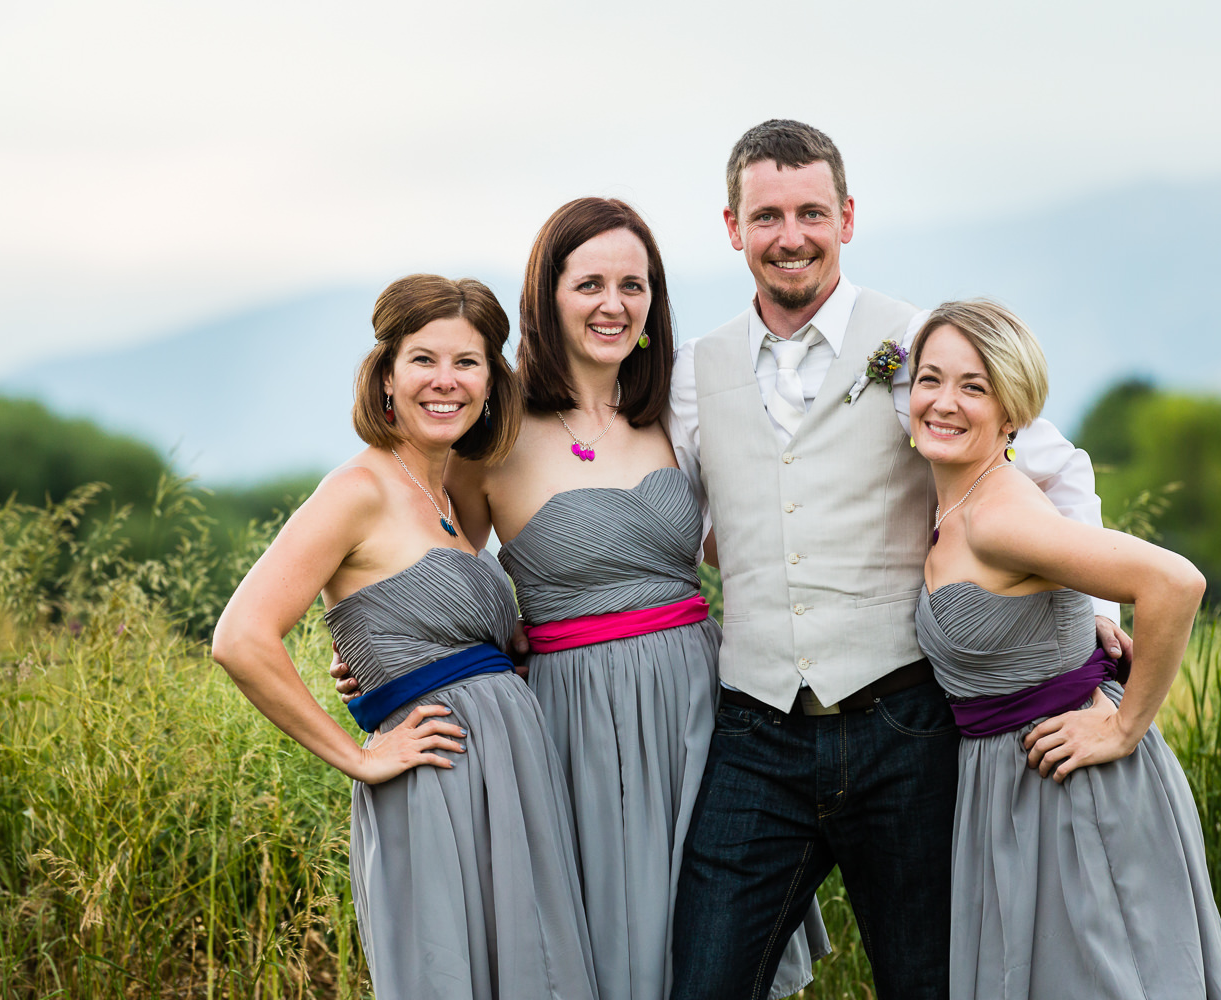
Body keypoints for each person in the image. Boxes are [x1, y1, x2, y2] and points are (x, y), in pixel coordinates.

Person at [663, 119, 1128, 1000]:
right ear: (732, 227)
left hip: (904, 726)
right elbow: (668, 522)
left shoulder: (919, 342)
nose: (789, 236)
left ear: (846, 216)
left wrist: (1099, 613)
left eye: (810, 212)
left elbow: (1056, 468)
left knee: (930, 982)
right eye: (766, 216)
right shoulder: (694, 372)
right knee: (705, 981)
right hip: (755, 730)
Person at [334, 198, 826, 1000]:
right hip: (577, 722)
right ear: (546, 296)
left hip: (707, 709)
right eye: (589, 282)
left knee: (716, 951)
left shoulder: (679, 404)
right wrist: (379, 650)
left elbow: (766, 524)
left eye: (634, 285)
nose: (612, 304)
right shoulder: (494, 432)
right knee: (604, 954)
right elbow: (433, 561)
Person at [212, 274, 597, 1000]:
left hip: (511, 780)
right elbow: (241, 637)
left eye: (467, 362)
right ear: (386, 376)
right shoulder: (358, 491)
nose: (445, 381)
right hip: (436, 784)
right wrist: (357, 755)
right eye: (423, 360)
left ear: (491, 382)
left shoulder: (448, 498)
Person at [909, 299, 1221, 999]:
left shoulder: (1002, 516)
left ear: (1011, 415)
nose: (943, 402)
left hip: (1076, 789)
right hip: (1010, 792)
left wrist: (1125, 727)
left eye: (974, 387)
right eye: (929, 379)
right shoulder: (956, 502)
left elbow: (1175, 582)